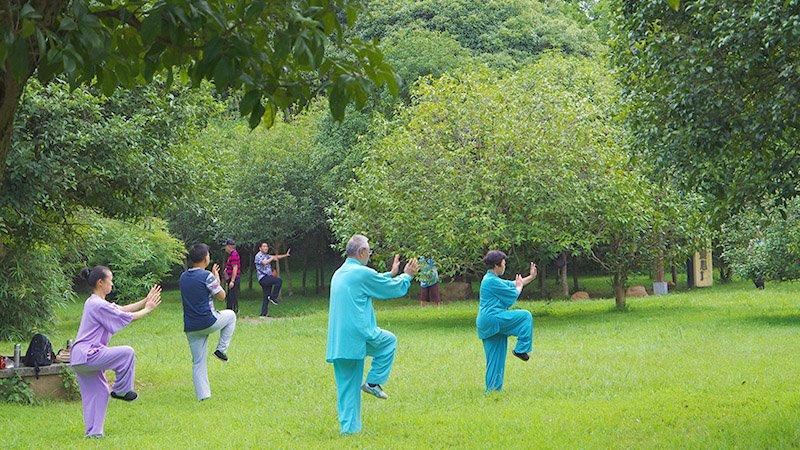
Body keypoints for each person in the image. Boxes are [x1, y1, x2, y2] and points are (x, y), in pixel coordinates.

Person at [326, 234, 419, 434]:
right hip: (359, 337)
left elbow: (372, 281)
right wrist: (407, 276)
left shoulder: (341, 272)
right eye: (369, 250)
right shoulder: (360, 273)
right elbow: (389, 289)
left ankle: (349, 430)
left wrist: (391, 272)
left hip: (339, 342)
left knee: (347, 388)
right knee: (388, 342)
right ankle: (373, 382)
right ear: (362, 252)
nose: (369, 254)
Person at [71, 266, 162, 438]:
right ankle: (121, 390)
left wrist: (145, 300)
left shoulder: (95, 302)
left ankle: (94, 433)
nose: (112, 284)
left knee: (98, 393)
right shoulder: (97, 305)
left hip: (79, 358)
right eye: (110, 280)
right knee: (127, 353)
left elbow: (121, 309)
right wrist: (148, 309)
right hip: (88, 354)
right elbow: (127, 317)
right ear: (100, 282)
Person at [180, 243, 237, 401]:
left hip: (191, 327)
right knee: (231, 315)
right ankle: (221, 349)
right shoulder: (207, 276)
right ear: (206, 258)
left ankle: (203, 396)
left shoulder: (183, 277)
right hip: (208, 322)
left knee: (198, 362)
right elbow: (222, 296)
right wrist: (216, 279)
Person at [477, 250, 537, 393]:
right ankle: (521, 349)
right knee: (525, 316)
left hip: (486, 323)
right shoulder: (491, 281)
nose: (505, 266)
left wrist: (531, 277)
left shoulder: (490, 278)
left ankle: (492, 391)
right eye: (504, 263)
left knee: (495, 359)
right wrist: (519, 286)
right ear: (497, 265)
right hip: (494, 318)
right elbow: (514, 292)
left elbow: (512, 284)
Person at [254, 241, 291, 317]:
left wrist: (285, 255)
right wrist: (272, 258)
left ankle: (263, 314)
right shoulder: (258, 256)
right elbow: (264, 263)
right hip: (263, 278)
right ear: (260, 248)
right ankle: (273, 297)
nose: (266, 248)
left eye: (267, 246)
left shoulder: (266, 255)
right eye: (264, 246)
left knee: (266, 296)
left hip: (268, 277)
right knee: (279, 281)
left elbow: (276, 257)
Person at [223, 239, 241, 313]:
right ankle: (229, 311)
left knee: (233, 297)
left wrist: (232, 281)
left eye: (226, 246)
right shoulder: (231, 255)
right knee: (229, 297)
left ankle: (234, 311)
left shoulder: (234, 255)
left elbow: (235, 268)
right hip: (231, 279)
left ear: (230, 246)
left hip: (234, 279)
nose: (225, 248)